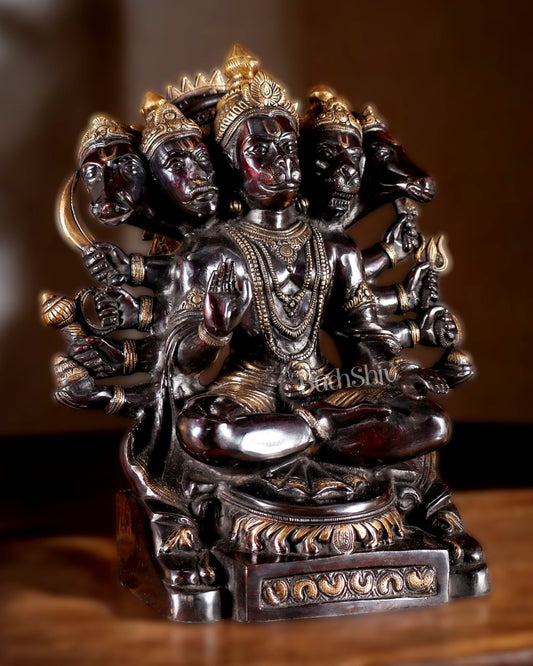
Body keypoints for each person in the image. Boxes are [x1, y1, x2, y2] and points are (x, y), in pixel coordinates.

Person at [173, 45, 454, 470]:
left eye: (287, 148)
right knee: (202, 428)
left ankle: (298, 436)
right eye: (260, 152)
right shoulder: (212, 253)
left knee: (430, 421)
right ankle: (329, 434)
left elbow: (362, 334)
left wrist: (394, 372)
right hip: (251, 389)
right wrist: (212, 329)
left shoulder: (334, 246)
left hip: (328, 386)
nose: (280, 163)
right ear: (233, 162)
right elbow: (181, 361)